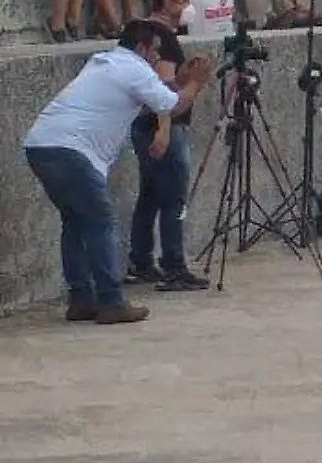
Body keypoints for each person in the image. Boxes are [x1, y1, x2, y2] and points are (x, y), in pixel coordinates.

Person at [22, 21, 211, 324]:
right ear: (142, 47)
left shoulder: (106, 63)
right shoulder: (135, 68)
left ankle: (81, 299)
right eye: (155, 52)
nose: (156, 59)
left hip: (42, 144)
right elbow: (171, 108)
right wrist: (195, 84)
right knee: (100, 221)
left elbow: (148, 102)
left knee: (75, 222)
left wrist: (179, 80)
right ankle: (111, 301)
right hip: (72, 151)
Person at [124, 0, 211, 292]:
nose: (186, 7)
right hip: (163, 128)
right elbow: (160, 92)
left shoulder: (147, 33)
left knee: (149, 196)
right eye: (182, 0)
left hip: (145, 126)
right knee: (173, 198)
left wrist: (183, 76)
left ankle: (141, 261)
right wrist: (164, 130)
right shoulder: (161, 36)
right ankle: (174, 266)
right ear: (167, 2)